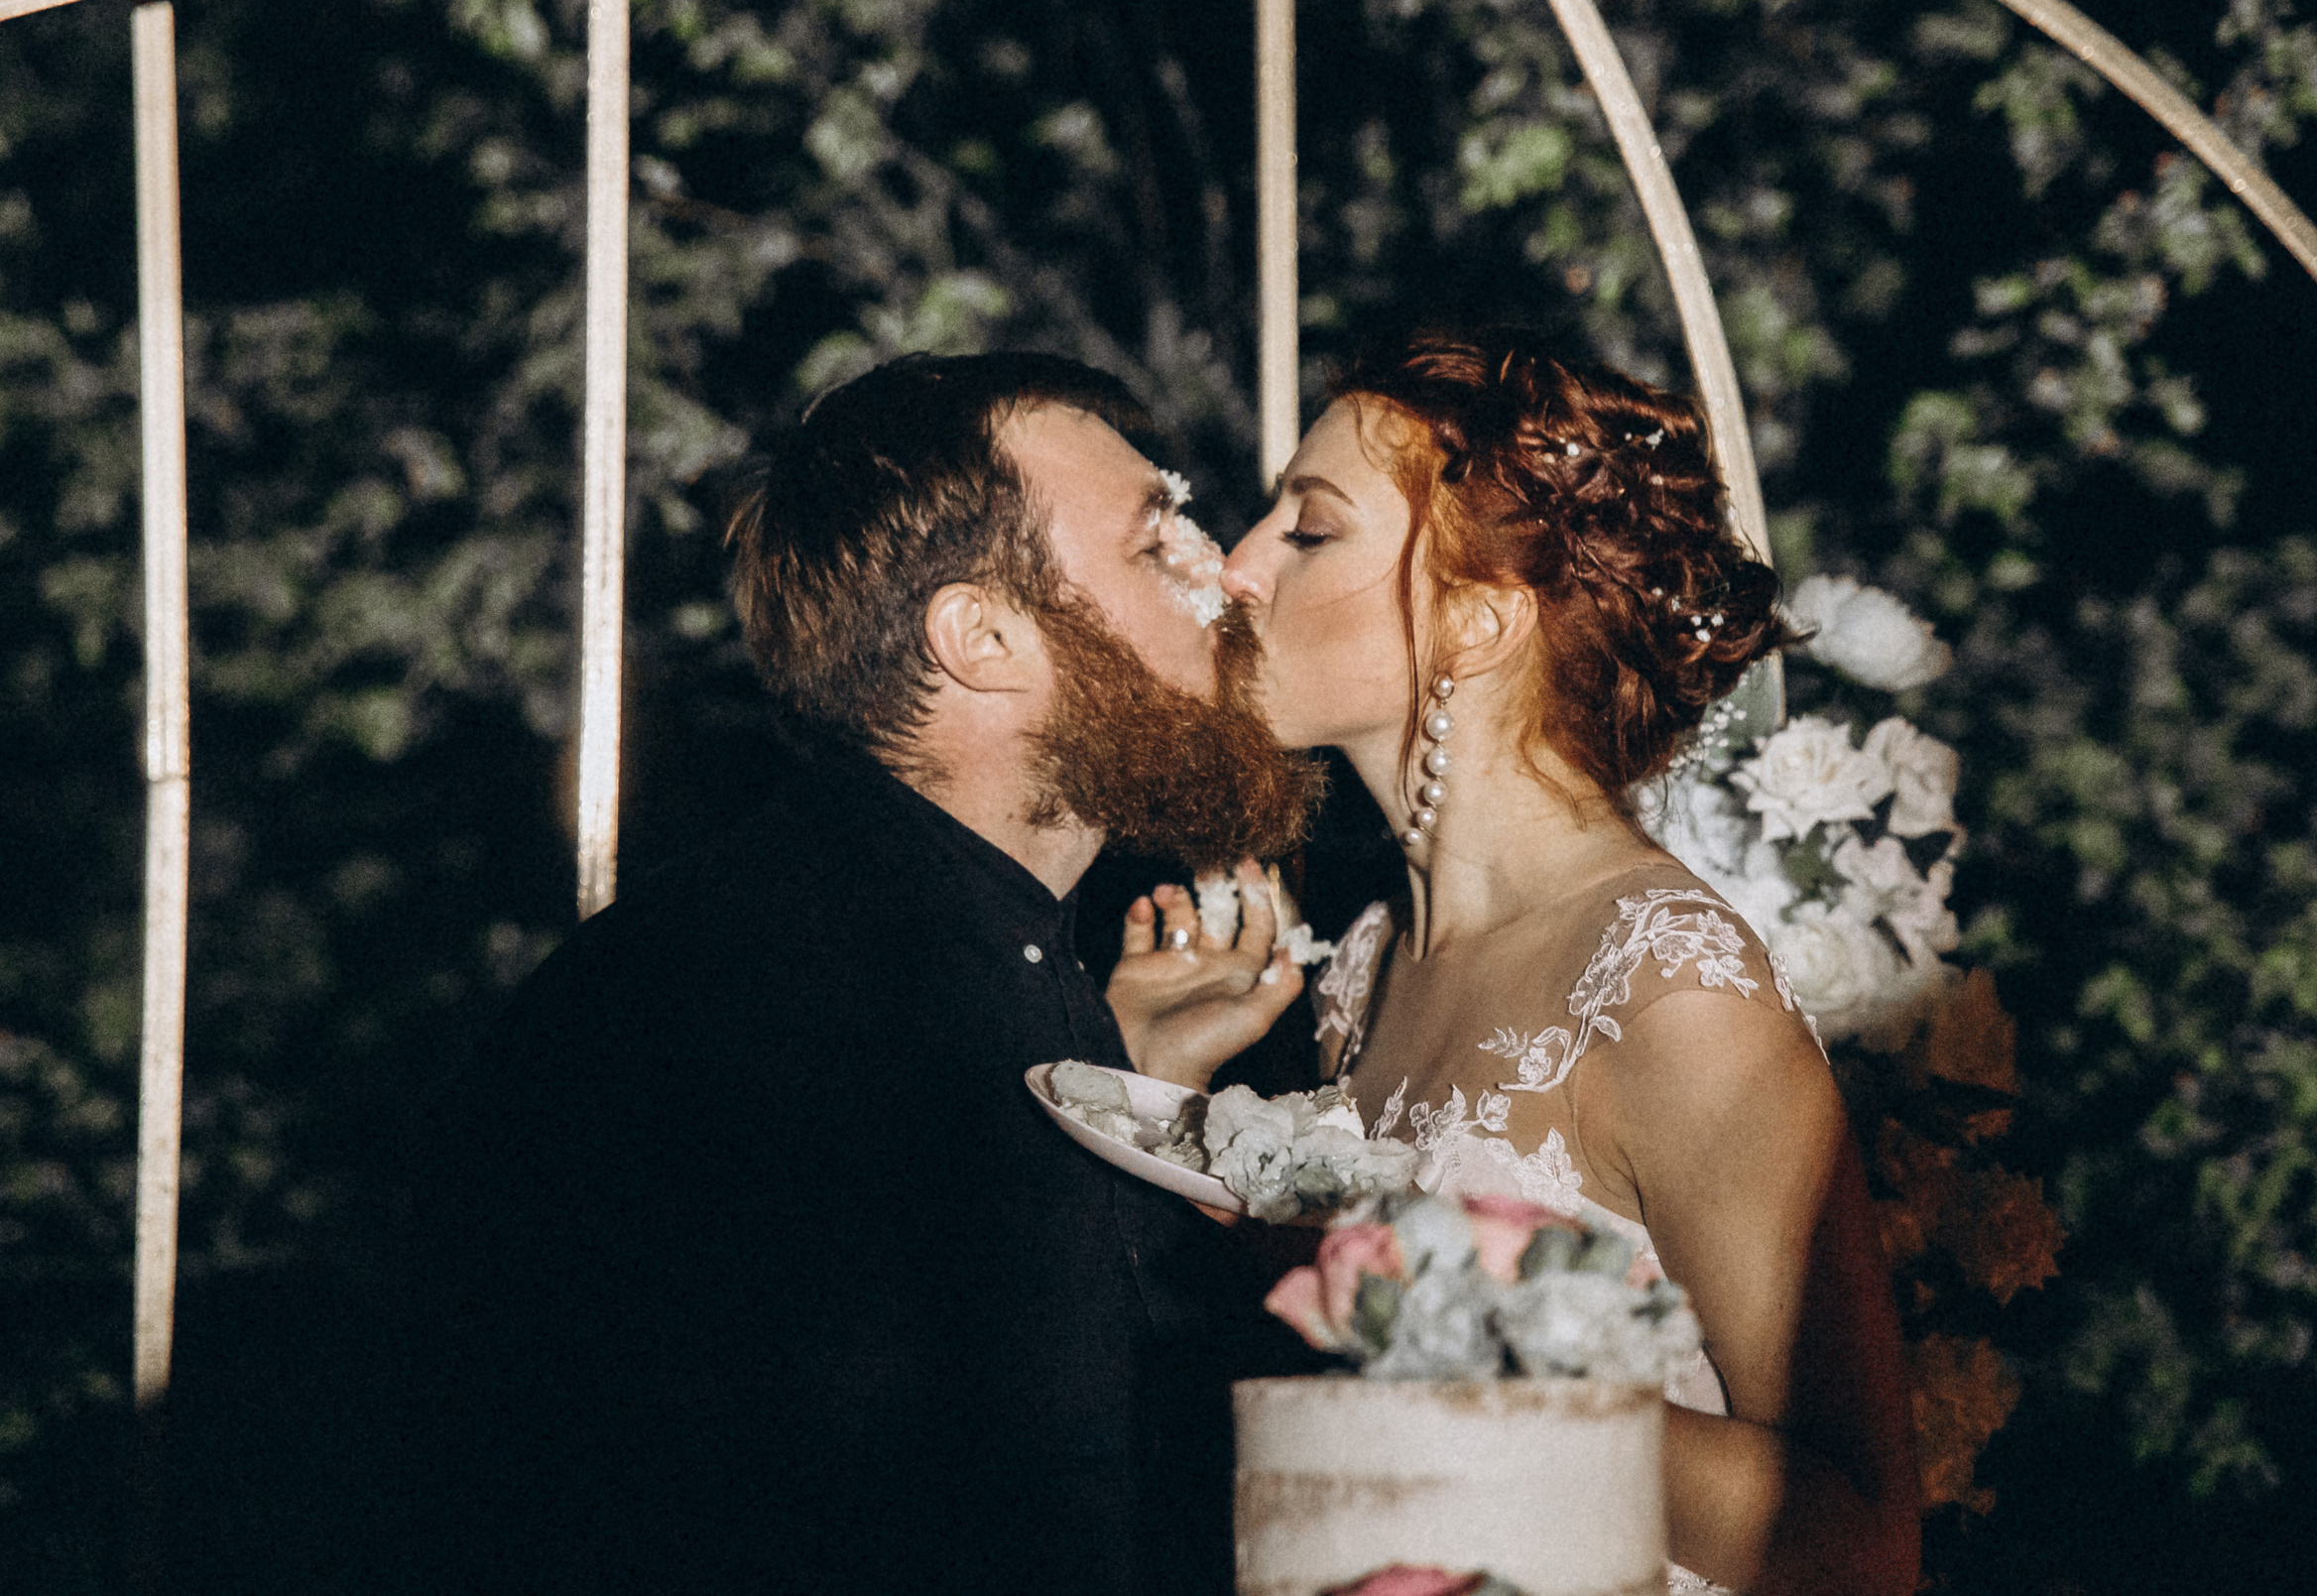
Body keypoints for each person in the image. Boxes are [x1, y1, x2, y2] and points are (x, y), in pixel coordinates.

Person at [403, 352, 1324, 1595]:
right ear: (980, 637)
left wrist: (1126, 1084)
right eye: (1157, 542)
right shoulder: (755, 1007)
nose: (1229, 575)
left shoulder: (961, 944)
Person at [1189, 328, 1922, 1595]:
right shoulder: (1369, 957)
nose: (1236, 568)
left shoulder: (1666, 986)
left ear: (1476, 622)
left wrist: (1457, 1341)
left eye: (1308, 531)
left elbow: (1859, 1546)